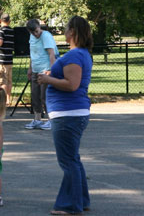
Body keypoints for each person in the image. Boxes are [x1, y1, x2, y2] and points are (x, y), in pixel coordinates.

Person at [37, 15, 93, 215]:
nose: (64, 30)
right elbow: (68, 78)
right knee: (73, 159)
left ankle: (70, 206)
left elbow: (72, 85)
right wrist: (51, 75)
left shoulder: (74, 56)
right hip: (70, 113)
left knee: (68, 161)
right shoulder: (79, 54)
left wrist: (47, 80)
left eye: (67, 28)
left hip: (68, 114)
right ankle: (81, 200)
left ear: (73, 32)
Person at [25, 18, 58, 130]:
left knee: (45, 96)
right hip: (35, 69)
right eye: (33, 32)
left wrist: (51, 70)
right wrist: (30, 68)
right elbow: (32, 53)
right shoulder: (31, 37)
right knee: (35, 95)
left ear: (39, 27)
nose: (36, 34)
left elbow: (51, 54)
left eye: (37, 31)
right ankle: (37, 119)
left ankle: (50, 120)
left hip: (45, 70)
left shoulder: (46, 36)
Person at [0, 13, 15, 107]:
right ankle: (8, 99)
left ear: (0, 21)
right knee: (9, 80)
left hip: (1, 60)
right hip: (9, 59)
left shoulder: (0, 30)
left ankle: (3, 101)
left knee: (1, 80)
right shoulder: (12, 31)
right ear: (9, 21)